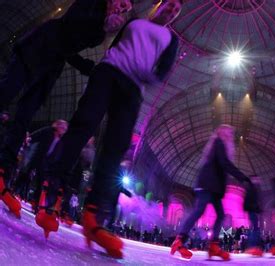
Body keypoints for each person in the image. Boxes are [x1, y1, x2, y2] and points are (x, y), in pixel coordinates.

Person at [36, 0, 182, 258]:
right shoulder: (135, 22)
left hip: (133, 89)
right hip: (109, 73)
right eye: (168, 4)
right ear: (158, 5)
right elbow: (113, 46)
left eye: (176, 10)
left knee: (115, 148)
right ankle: (52, 196)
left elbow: (163, 71)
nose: (171, 10)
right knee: (83, 125)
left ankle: (95, 217)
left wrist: (148, 74)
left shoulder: (171, 39)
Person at [0, 0, 132, 218]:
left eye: (126, 9)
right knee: (7, 91)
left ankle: (3, 169)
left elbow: (69, 48)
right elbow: (69, 25)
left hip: (54, 62)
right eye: (122, 2)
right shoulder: (91, 7)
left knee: (26, 112)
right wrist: (101, 22)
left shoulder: (100, 34)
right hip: (39, 45)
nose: (122, 8)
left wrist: (89, 66)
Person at [170, 124, 252, 261]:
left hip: (213, 187)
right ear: (220, 132)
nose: (230, 135)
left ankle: (213, 246)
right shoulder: (218, 143)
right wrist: (242, 177)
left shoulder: (219, 146)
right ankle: (179, 240)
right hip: (207, 185)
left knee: (220, 215)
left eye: (231, 133)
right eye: (228, 132)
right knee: (199, 211)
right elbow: (224, 163)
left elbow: (221, 167)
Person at [243, 175, 264, 257]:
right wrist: (255, 208)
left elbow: (254, 201)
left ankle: (253, 247)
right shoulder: (251, 188)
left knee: (255, 227)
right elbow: (249, 200)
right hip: (251, 210)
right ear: (253, 179)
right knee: (255, 228)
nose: (258, 180)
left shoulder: (254, 188)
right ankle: (252, 247)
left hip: (252, 210)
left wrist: (258, 209)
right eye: (256, 179)